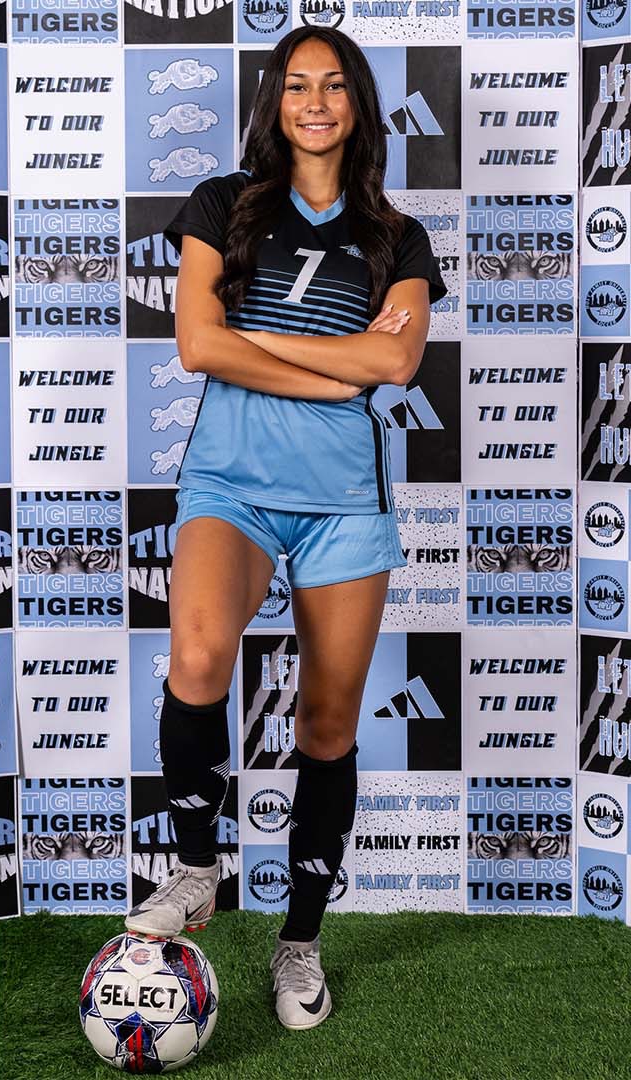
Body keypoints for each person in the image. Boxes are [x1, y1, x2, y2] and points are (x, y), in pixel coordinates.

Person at [128, 25, 446, 1031]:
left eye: (335, 84)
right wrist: (330, 354)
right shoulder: (224, 206)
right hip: (231, 483)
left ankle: (300, 940)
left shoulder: (398, 235)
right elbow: (193, 342)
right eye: (298, 85)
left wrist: (250, 337)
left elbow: (396, 367)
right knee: (199, 651)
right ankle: (194, 869)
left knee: (328, 723)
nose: (316, 100)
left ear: (357, 104)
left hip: (346, 502)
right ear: (276, 102)